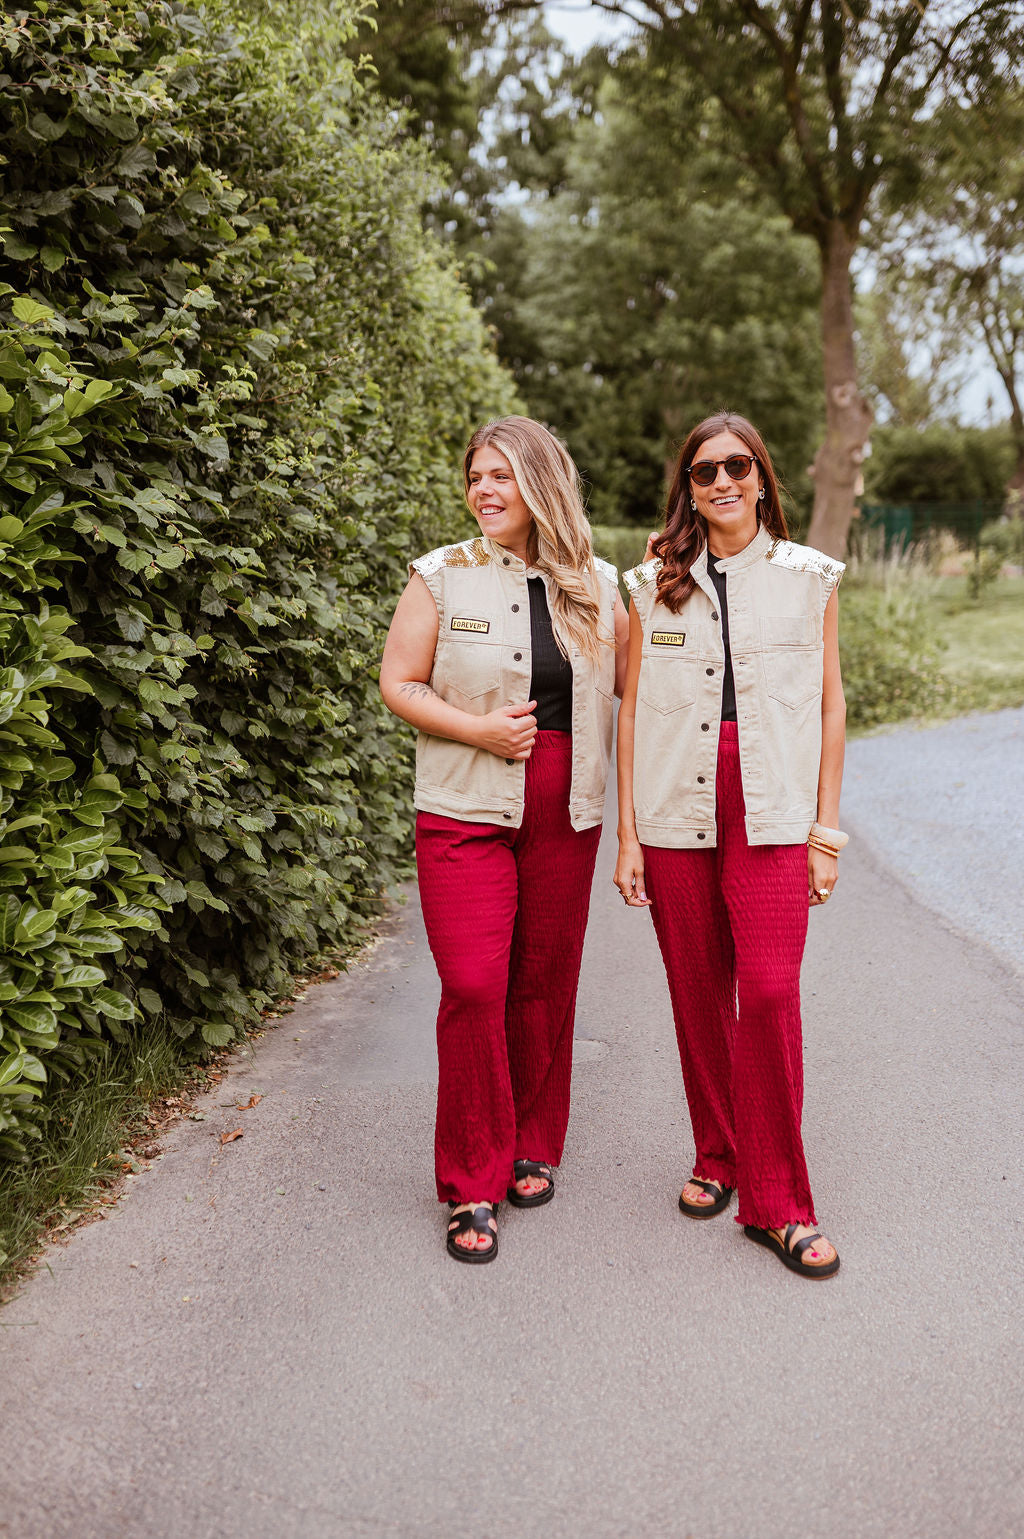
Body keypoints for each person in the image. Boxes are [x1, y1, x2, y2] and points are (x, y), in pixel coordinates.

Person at [380, 416, 629, 1263]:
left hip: (567, 811)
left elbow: (644, 686)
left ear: (541, 482)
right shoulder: (440, 575)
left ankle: (531, 1142)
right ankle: (470, 1181)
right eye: (475, 476)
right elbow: (398, 682)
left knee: (544, 980)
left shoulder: (597, 583)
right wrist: (477, 729)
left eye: (501, 475)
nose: (483, 490)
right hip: (463, 806)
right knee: (475, 983)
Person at [614, 411, 847, 1279]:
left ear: (761, 477)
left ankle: (780, 1202)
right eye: (705, 470)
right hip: (675, 805)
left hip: (773, 806)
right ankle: (717, 1153)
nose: (722, 481)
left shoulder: (811, 578)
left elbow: (831, 705)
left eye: (737, 466)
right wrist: (628, 835)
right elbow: (630, 710)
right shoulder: (652, 585)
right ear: (689, 486)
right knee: (698, 990)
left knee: (772, 991)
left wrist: (825, 832)